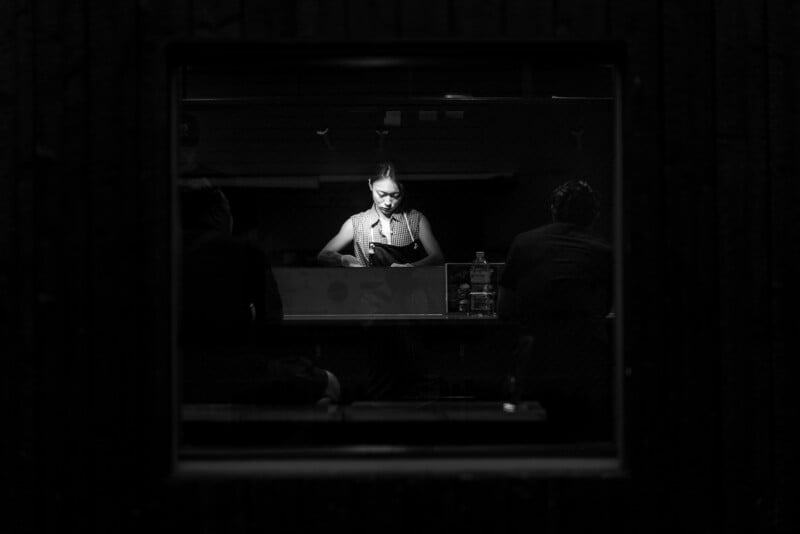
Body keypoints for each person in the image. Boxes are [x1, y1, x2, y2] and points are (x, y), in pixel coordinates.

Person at [179, 182, 340, 404]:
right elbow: (271, 323)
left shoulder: (160, 252)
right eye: (228, 211)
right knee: (330, 384)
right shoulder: (244, 251)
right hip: (235, 369)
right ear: (217, 213)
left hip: (179, 370)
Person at [497, 180, 613, 440]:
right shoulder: (604, 252)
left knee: (534, 438)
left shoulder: (524, 243)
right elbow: (606, 308)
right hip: (587, 362)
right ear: (594, 214)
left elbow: (504, 308)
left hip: (535, 361)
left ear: (553, 209)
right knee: (584, 436)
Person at [317, 162, 444, 268]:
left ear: (402, 190)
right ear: (370, 185)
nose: (388, 203)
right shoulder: (357, 223)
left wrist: (409, 267)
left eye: (395, 195)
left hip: (410, 291)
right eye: (382, 194)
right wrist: (343, 259)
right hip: (368, 293)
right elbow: (323, 255)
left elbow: (438, 258)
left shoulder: (416, 219)